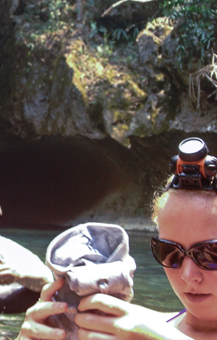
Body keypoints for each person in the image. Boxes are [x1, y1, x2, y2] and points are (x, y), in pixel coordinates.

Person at [18, 137, 217, 340]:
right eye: (170, 253)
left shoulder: (143, 332)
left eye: (211, 254)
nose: (188, 274)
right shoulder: (133, 327)